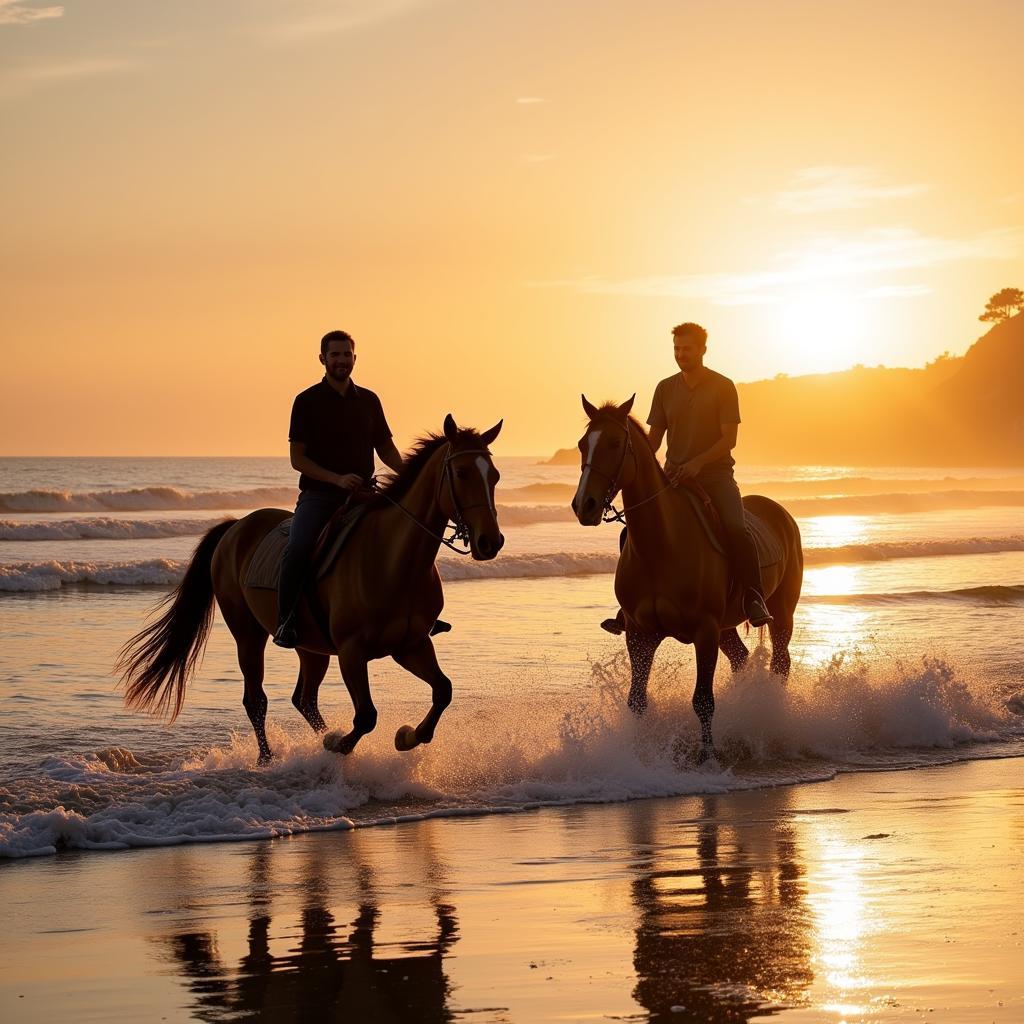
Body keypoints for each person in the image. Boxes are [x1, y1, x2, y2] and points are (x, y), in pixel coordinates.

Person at [602, 321, 773, 634]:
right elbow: (654, 441)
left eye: (687, 349)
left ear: (702, 350)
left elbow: (728, 439)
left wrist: (698, 462)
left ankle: (753, 597)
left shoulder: (723, 386)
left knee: (736, 528)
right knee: (633, 532)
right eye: (677, 349)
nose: (681, 354)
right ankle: (630, 607)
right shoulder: (665, 388)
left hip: (715, 476)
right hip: (674, 477)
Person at [273, 329, 403, 649]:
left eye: (347, 354)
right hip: (320, 495)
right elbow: (297, 459)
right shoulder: (306, 402)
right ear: (323, 359)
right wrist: (335, 479)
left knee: (403, 538)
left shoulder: (369, 400)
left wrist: (409, 476)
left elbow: (385, 448)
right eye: (335, 355)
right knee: (299, 548)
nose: (342, 360)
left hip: (364, 495)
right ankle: (286, 620)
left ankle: (413, 612)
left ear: (355, 358)